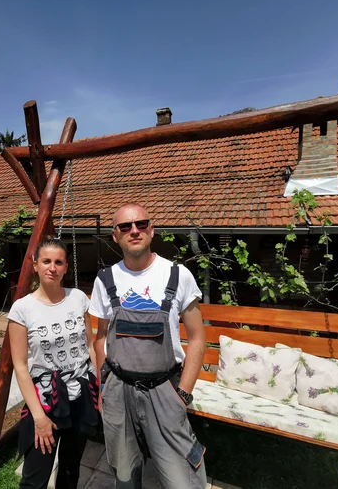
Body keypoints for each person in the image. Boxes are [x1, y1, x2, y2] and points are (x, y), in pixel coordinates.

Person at [90, 203, 207, 488]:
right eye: (125, 227)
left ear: (151, 230)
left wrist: (183, 394)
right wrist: (103, 385)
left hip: (164, 389)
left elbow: (197, 337)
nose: (134, 231)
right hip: (118, 390)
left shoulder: (177, 276)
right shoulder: (105, 280)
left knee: (181, 480)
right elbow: (100, 336)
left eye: (141, 224)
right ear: (115, 235)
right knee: (125, 473)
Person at [8, 238, 99, 489]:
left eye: (58, 262)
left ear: (66, 267)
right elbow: (20, 366)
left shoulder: (78, 298)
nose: (52, 267)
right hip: (46, 400)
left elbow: (90, 345)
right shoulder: (22, 308)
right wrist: (39, 417)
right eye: (46, 261)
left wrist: (99, 385)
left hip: (81, 396)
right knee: (35, 477)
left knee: (71, 470)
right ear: (35, 265)